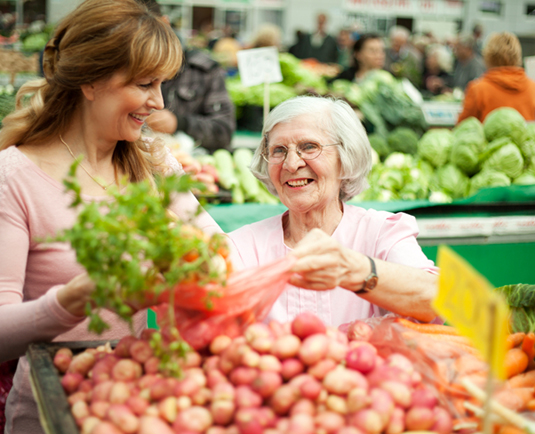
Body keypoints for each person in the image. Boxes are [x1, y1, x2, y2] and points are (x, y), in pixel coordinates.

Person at [0, 1, 222, 433]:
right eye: (144, 84)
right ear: (91, 82)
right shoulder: (12, 178)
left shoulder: (152, 160)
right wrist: (71, 301)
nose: (158, 102)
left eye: (162, 85)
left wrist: (200, 263)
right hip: (58, 408)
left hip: (148, 405)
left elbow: (219, 250)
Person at [229, 96, 439, 327]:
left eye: (309, 147)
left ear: (346, 156)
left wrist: (354, 270)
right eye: (278, 150)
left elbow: (436, 299)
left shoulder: (380, 232)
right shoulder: (243, 245)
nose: (291, 164)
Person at [141, 1, 236, 153]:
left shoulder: (204, 70)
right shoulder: (120, 71)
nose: (157, 103)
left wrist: (179, 123)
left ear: (164, 22)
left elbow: (224, 131)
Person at [457, 32, 535, 123]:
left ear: (488, 57)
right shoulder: (533, 88)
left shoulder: (477, 90)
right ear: (517, 56)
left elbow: (462, 128)